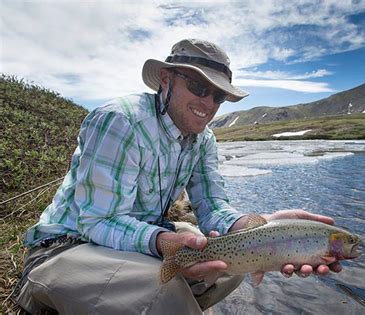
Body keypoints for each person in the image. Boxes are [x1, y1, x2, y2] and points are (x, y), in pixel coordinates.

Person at [14, 39, 341, 314]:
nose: (208, 103)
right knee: (165, 294)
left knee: (230, 269)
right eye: (199, 87)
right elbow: (97, 220)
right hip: (69, 245)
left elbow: (213, 207)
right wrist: (163, 243)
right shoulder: (120, 121)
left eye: (219, 96)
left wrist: (262, 230)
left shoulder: (204, 139)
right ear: (166, 80)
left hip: (135, 240)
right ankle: (48, 299)